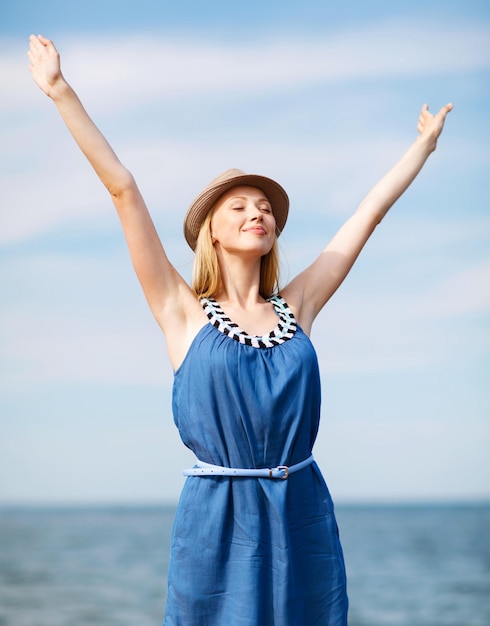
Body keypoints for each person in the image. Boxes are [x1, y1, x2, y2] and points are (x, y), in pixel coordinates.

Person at [27, 33, 452, 626]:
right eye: (241, 206)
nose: (259, 213)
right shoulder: (181, 310)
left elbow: (367, 214)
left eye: (266, 207)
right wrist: (59, 91)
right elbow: (123, 188)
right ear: (212, 231)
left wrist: (423, 149)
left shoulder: (297, 306)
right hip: (217, 518)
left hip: (301, 509)